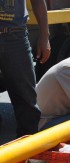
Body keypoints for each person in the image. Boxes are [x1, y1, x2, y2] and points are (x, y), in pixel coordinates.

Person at [0, 0, 51, 138]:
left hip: (16, 38)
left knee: (27, 100)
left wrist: (45, 37)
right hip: (15, 38)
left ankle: (29, 154)